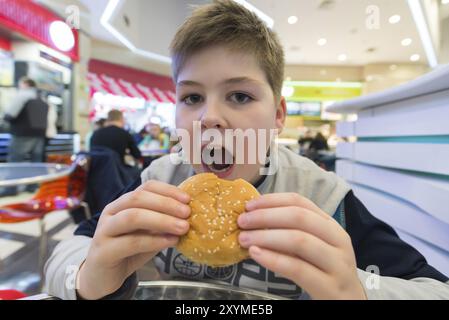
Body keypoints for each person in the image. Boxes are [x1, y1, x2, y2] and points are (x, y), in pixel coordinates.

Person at [45, 0, 449, 300]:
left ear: (277, 115)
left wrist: (358, 289)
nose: (210, 117)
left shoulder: (324, 198)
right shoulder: (159, 180)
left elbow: (434, 288)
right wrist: (86, 275)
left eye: (238, 95)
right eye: (191, 98)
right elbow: (70, 250)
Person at [0, 77, 48, 196]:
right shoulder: (42, 97)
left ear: (25, 84)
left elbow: (10, 114)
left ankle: (11, 188)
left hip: (22, 133)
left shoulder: (23, 95)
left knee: (16, 161)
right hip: (39, 134)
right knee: (35, 162)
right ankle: (32, 186)